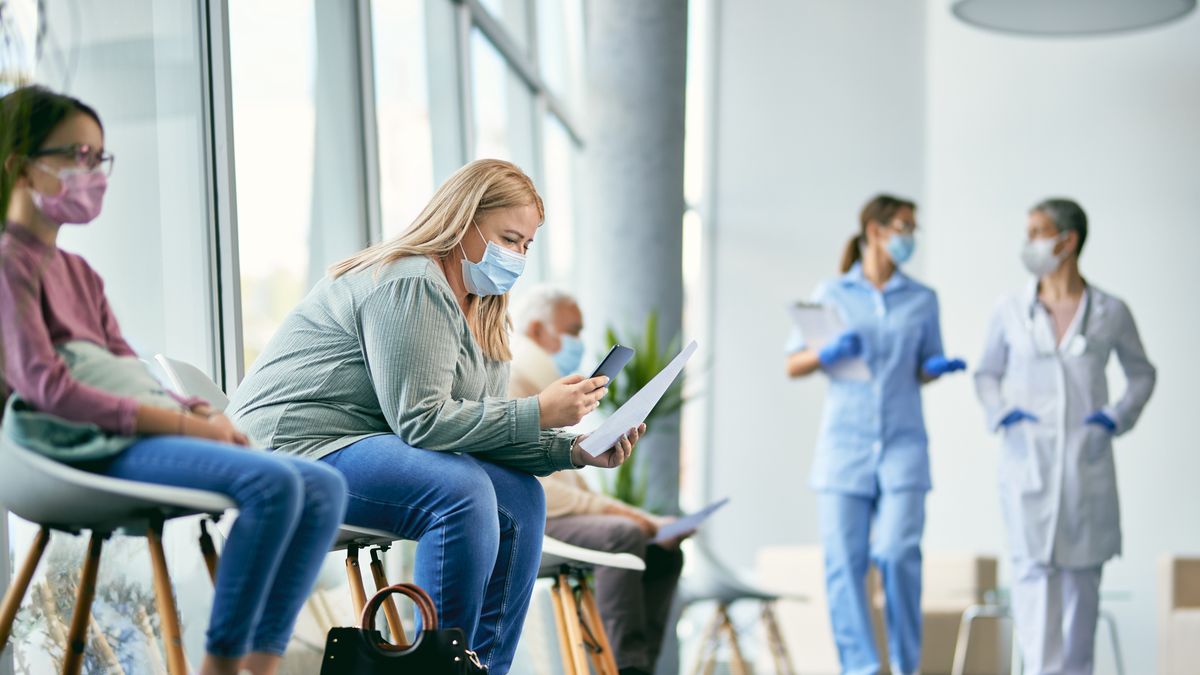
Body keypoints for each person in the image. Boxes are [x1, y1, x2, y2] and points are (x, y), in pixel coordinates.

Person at [226, 159, 644, 674]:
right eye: (507, 238)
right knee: (458, 489)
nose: (516, 257)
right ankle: (435, 668)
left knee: (519, 497)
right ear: (463, 221)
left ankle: (481, 668)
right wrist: (538, 411)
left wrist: (574, 448)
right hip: (295, 444)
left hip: (361, 441)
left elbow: (478, 429)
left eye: (525, 245)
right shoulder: (411, 282)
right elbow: (422, 423)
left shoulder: (483, 306)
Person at [0, 85, 348, 675]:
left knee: (322, 486)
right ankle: (221, 665)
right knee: (271, 487)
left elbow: (127, 364)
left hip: (125, 434)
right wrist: (182, 424)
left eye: (99, 158)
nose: (94, 172)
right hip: (69, 445)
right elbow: (49, 389)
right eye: (76, 155)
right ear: (19, 164)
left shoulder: (79, 272)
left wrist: (201, 414)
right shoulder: (10, 263)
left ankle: (260, 666)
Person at [784, 194, 966, 675]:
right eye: (903, 226)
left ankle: (908, 666)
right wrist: (826, 353)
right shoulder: (832, 293)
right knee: (845, 564)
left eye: (912, 228)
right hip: (844, 447)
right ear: (874, 231)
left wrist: (933, 368)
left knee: (898, 552)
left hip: (904, 445)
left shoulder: (923, 299)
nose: (910, 237)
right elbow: (793, 363)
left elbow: (926, 365)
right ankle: (861, 668)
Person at [974, 198, 1155, 675]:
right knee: (1034, 610)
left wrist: (1116, 418)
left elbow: (1142, 375)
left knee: (1080, 616)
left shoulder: (1110, 312)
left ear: (1067, 240)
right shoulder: (1010, 308)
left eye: (1037, 231)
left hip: (1084, 471)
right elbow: (986, 373)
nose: (1028, 242)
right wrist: (1000, 412)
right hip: (1026, 469)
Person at [509, 284, 686, 675]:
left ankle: (640, 666)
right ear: (538, 331)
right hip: (534, 518)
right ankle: (622, 667)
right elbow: (539, 486)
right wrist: (622, 515)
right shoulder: (515, 381)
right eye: (572, 330)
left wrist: (647, 520)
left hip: (563, 516)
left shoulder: (548, 389)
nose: (579, 343)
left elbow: (571, 481)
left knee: (663, 548)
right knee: (621, 535)